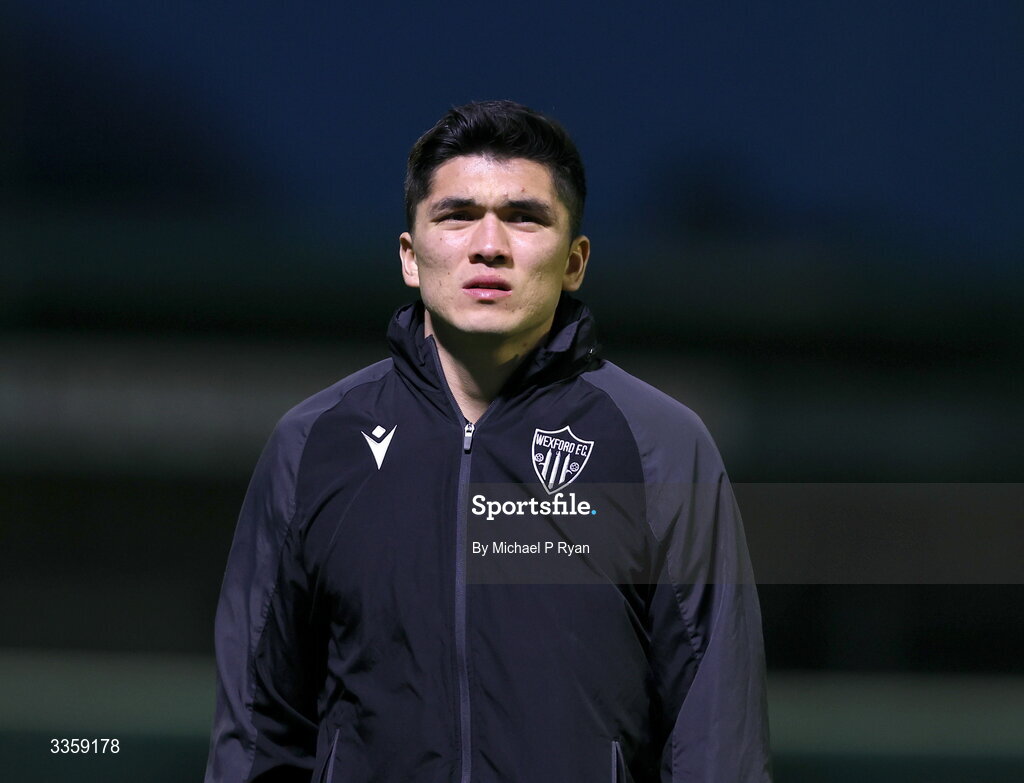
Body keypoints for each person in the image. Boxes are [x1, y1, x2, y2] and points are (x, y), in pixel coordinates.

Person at [205, 100, 771, 783]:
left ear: (575, 261)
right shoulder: (312, 445)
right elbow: (256, 729)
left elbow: (718, 738)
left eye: (525, 217)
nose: (489, 244)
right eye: (457, 215)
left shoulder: (659, 446)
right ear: (411, 257)